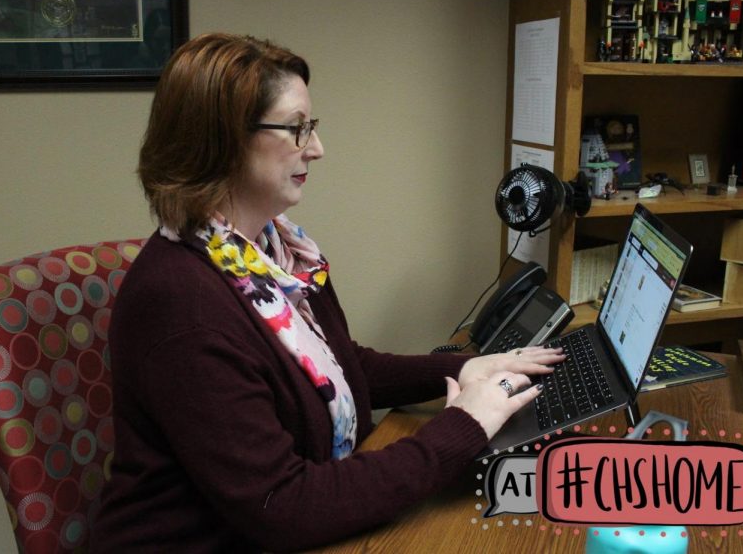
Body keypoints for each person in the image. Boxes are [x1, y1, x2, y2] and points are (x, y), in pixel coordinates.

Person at [90, 33, 565, 552]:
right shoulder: (181, 303)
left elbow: (344, 365)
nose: (316, 148)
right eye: (296, 129)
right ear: (224, 138)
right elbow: (283, 506)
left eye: (310, 128)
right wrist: (463, 426)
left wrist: (465, 367)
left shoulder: (270, 251)